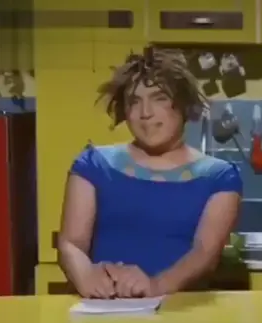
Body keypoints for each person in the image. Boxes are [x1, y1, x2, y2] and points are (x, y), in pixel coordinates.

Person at [58, 47, 242, 298]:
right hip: (103, 309)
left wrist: (156, 286)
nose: (146, 113)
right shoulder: (93, 164)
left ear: (184, 104)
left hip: (180, 314)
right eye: (134, 101)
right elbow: (71, 243)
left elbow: (204, 254)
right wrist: (87, 277)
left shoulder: (219, 177)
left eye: (159, 98)